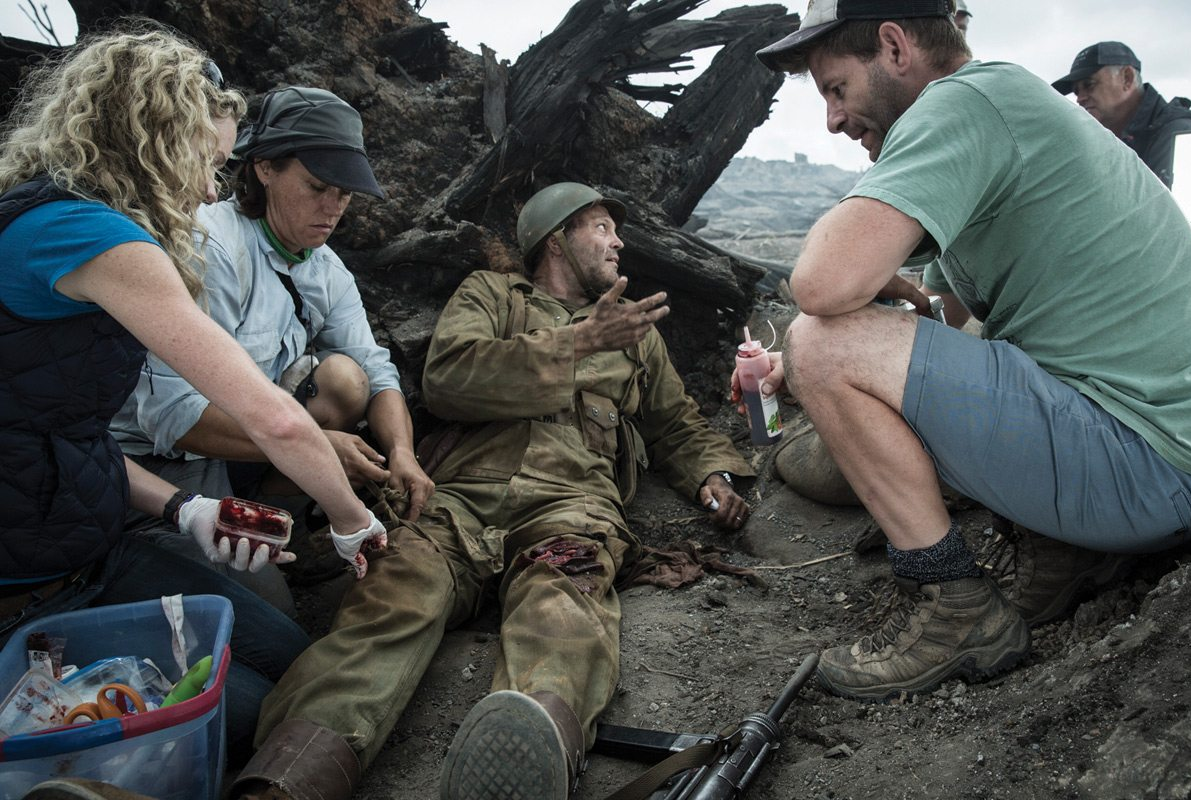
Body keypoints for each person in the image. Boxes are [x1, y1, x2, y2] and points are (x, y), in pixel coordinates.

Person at [228, 182, 754, 800]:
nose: (618, 243)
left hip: (571, 502)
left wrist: (710, 477)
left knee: (562, 604)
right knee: (393, 599)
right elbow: (449, 379)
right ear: (556, 239)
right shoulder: (490, 294)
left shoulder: (634, 330)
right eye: (602, 228)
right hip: (458, 500)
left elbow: (675, 423)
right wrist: (579, 343)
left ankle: (528, 761)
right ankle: (289, 779)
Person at [754, 0, 1191, 702]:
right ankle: (1068, 547)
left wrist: (819, 357)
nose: (833, 121)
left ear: (895, 48)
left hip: (1149, 466)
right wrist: (879, 325)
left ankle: (955, 607)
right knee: (841, 352)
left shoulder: (964, 103)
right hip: (1163, 452)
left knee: (820, 342)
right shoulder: (1002, 102)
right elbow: (944, 317)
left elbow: (819, 287)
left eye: (836, 89)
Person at [0, 25, 388, 758]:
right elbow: (273, 418)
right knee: (250, 720)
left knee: (290, 655)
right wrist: (350, 519)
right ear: (151, 141)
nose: (212, 188)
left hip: (88, 544)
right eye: (207, 162)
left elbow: (57, 434)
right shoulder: (92, 236)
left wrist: (186, 507)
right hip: (27, 586)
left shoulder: (55, 217)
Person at [109, 86, 432, 600]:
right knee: (270, 617)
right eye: (317, 186)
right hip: (163, 457)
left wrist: (402, 450)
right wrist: (318, 448)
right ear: (264, 168)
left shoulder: (326, 269)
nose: (333, 208)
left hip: (251, 442)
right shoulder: (210, 245)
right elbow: (173, 416)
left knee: (347, 380)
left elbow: (377, 368)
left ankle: (282, 517)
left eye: (345, 193)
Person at [1052, 41, 1191, 188]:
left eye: (1089, 84)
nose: (1080, 98)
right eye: (1076, 91)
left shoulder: (1180, 134)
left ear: (1127, 78)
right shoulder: (1102, 143)